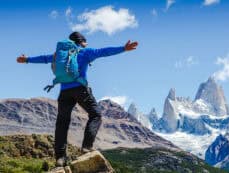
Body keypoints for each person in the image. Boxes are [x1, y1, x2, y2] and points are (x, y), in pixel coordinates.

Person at [16, 32, 138, 166]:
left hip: (64, 92)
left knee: (62, 123)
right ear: (81, 42)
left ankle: (60, 158)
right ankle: (86, 146)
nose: (87, 44)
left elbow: (45, 58)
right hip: (80, 89)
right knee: (95, 114)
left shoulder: (59, 54)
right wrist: (123, 48)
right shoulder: (85, 52)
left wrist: (27, 59)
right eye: (85, 42)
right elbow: (104, 51)